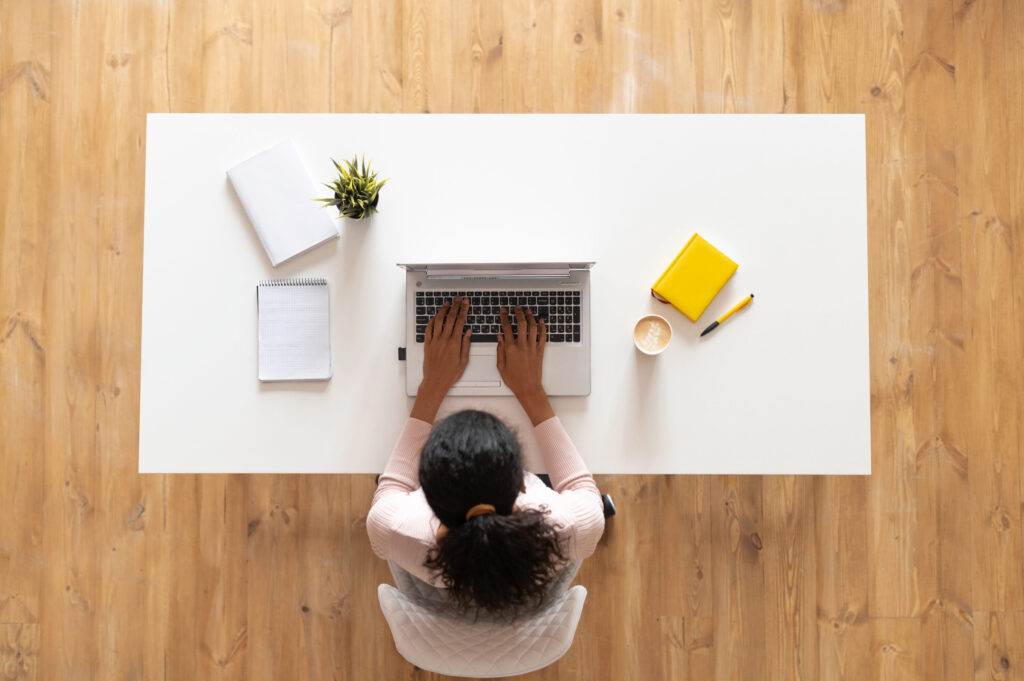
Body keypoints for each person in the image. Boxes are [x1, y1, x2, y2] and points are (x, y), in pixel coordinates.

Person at [367, 296, 606, 617]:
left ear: (425, 496)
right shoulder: (572, 528)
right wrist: (531, 390)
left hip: (440, 589)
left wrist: (432, 386)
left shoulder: (393, 527)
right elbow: (582, 488)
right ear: (523, 486)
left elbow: (392, 487)